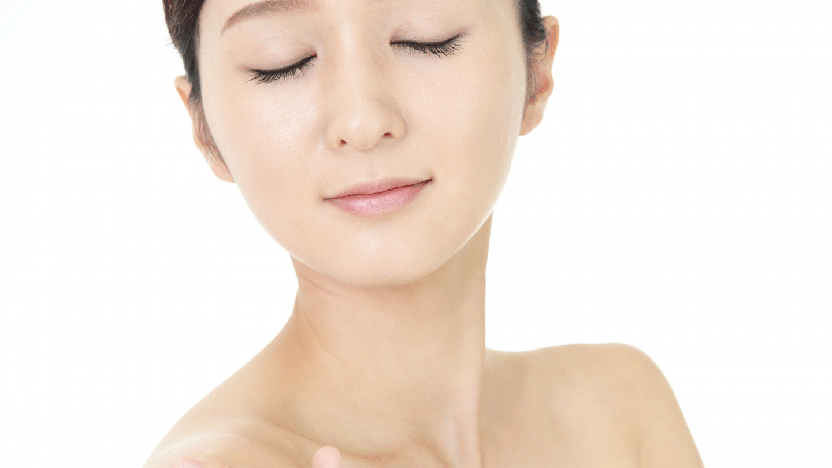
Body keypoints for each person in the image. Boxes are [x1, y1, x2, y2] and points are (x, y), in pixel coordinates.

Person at [146, 0, 704, 467]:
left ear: (536, 72)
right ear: (204, 128)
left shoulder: (622, 411)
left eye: (425, 38)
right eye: (284, 62)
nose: (364, 122)